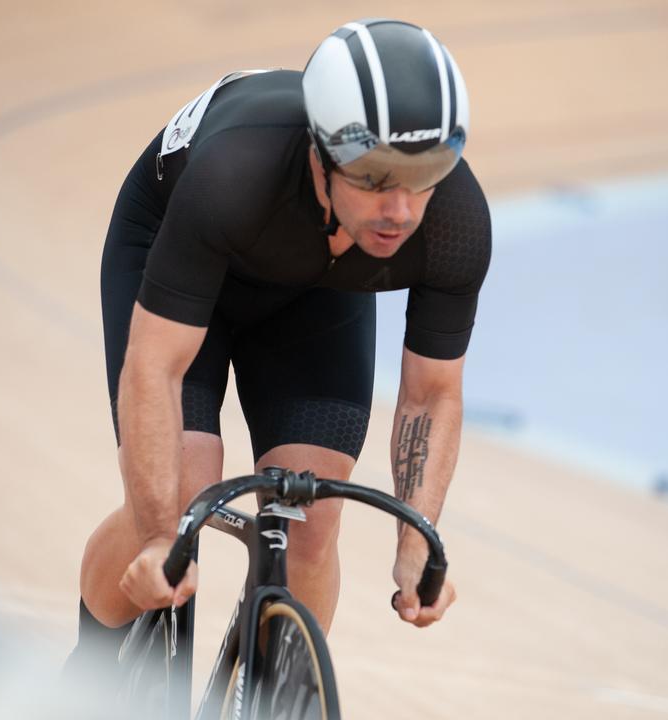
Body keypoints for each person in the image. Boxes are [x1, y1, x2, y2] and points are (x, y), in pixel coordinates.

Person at [69, 18, 491, 668]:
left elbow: (431, 395)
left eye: (424, 174)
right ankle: (87, 679)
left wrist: (417, 546)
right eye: (375, 178)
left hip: (315, 289)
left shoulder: (455, 222)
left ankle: (271, 694)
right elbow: (154, 368)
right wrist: (159, 537)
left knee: (311, 520)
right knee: (182, 497)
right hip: (179, 260)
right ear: (321, 152)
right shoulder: (233, 174)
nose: (401, 211)